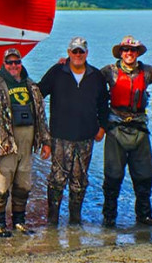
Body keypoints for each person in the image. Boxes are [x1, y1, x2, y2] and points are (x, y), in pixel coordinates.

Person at [99, 35, 152, 228]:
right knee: (112, 176)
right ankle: (109, 217)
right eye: (125, 50)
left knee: (144, 175)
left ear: (138, 53)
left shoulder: (147, 72)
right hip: (115, 128)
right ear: (120, 53)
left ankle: (144, 216)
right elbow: (86, 77)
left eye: (133, 50)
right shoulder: (109, 71)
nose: (129, 53)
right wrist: (66, 64)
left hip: (139, 127)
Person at [0, 48, 52, 237]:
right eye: (9, 62)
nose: (13, 66)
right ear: (4, 64)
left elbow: (41, 116)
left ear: (21, 63)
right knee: (1, 187)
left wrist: (46, 141)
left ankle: (19, 222)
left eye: (16, 62)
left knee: (23, 186)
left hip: (27, 145)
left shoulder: (31, 86)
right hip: (5, 145)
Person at [38, 37, 109, 226]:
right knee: (57, 180)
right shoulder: (57, 72)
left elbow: (104, 104)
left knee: (80, 181)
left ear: (87, 53)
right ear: (68, 53)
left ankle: (75, 221)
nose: (78, 55)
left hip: (86, 138)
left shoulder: (96, 76)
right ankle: (52, 221)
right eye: (74, 51)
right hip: (60, 137)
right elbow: (37, 93)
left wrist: (103, 127)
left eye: (81, 51)